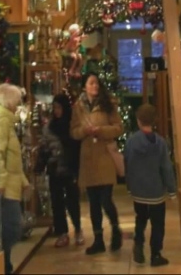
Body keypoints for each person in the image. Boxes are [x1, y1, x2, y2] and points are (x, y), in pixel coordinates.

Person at [70, 72, 124, 255]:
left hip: (104, 158)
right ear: (84, 86)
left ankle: (116, 229)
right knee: (93, 202)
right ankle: (98, 239)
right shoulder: (78, 107)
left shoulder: (108, 104)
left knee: (105, 199)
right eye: (91, 83)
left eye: (96, 83)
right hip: (88, 159)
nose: (94, 86)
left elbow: (118, 128)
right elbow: (74, 132)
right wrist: (84, 131)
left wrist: (100, 130)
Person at [124, 104, 176, 267]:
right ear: (154, 121)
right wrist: (172, 190)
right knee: (158, 223)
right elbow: (166, 167)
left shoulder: (131, 141)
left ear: (138, 121)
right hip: (155, 191)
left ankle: (138, 243)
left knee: (140, 219)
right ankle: (155, 254)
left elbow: (127, 163)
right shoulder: (160, 143)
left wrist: (129, 186)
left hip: (138, 190)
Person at [38, 93, 84, 247]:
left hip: (69, 168)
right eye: (54, 107)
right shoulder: (49, 127)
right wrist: (42, 163)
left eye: (59, 107)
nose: (57, 111)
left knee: (72, 201)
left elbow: (77, 147)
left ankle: (77, 229)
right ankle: (62, 232)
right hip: (54, 169)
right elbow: (44, 147)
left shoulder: (72, 125)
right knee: (57, 202)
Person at [0, 83, 29, 275]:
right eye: (16, 102)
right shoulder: (2, 120)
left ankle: (6, 266)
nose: (18, 106)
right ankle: (4, 267)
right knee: (11, 229)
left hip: (11, 185)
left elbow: (12, 158)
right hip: (6, 188)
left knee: (11, 230)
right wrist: (0, 182)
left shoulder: (7, 121)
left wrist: (23, 181)